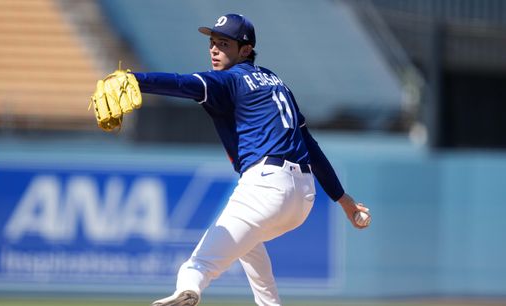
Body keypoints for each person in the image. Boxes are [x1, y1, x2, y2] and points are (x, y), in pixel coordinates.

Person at [130, 14, 370, 306]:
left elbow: (182, 84)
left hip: (266, 186)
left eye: (224, 44)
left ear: (245, 50)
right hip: (302, 197)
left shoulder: (230, 78)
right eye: (212, 43)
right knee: (249, 245)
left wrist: (133, 80)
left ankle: (188, 290)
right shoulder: (276, 81)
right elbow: (310, 145)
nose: (215, 50)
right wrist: (343, 199)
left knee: (201, 263)